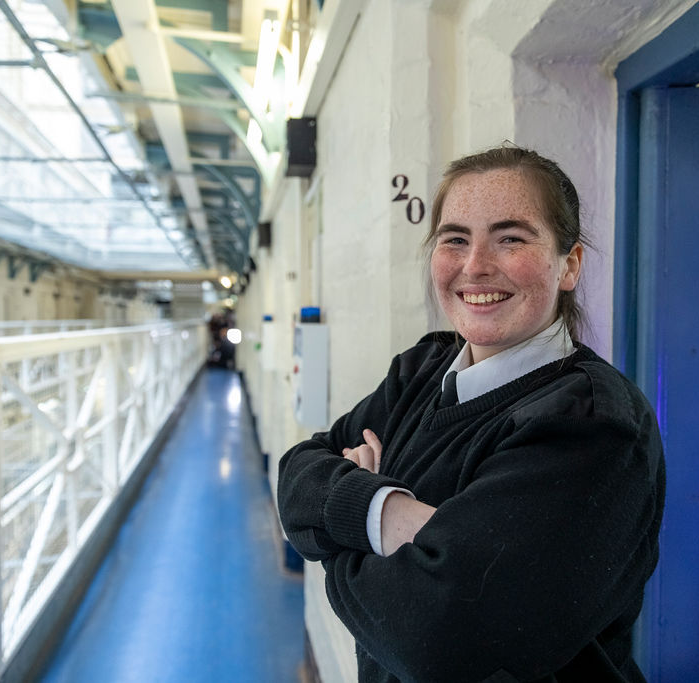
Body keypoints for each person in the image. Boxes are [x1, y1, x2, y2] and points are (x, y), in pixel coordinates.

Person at [277, 146, 665, 682]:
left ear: (569, 264)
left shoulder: (594, 428)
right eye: (454, 239)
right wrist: (386, 514)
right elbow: (298, 473)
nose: (475, 265)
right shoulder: (422, 369)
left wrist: (340, 539)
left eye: (511, 238)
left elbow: (433, 638)